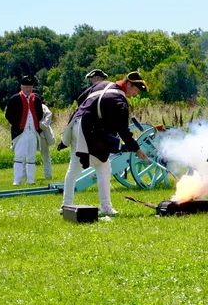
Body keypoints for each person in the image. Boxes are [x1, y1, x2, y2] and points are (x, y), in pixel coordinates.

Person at [61, 71, 148, 215]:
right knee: (98, 166)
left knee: (89, 167)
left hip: (76, 123)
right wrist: (137, 150)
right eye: (135, 90)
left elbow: (81, 98)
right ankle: (105, 208)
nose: (135, 94)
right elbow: (123, 131)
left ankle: (67, 205)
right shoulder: (120, 101)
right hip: (86, 129)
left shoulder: (103, 84)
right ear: (129, 84)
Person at [4, 76, 44, 186]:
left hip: (33, 132)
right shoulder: (15, 99)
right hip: (20, 132)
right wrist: (17, 124)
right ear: (21, 87)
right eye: (26, 86)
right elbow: (8, 115)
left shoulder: (37, 100)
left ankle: (30, 180)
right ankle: (17, 180)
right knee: (19, 156)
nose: (28, 89)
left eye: (30, 87)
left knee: (31, 157)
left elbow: (40, 114)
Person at [38, 103, 55, 179]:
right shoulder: (27, 105)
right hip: (30, 133)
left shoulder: (42, 106)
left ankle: (48, 176)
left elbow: (49, 114)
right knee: (27, 157)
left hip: (42, 134)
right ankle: (26, 177)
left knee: (46, 155)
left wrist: (42, 125)